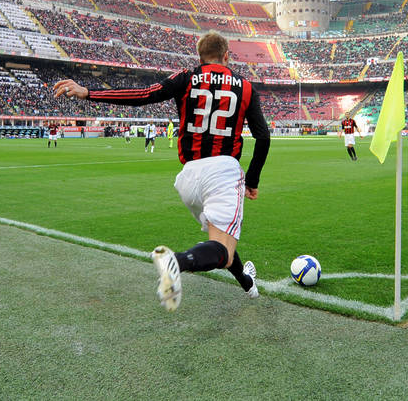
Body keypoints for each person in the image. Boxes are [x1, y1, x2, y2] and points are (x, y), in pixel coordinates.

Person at [53, 31, 270, 311]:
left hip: (189, 177)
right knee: (223, 251)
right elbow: (263, 137)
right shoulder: (246, 87)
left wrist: (89, 92)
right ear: (227, 55)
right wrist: (252, 180)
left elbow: (144, 95)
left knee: (221, 236)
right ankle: (175, 262)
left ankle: (248, 285)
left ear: (199, 57)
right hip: (223, 170)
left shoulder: (186, 76)